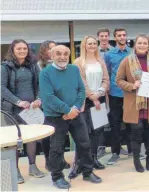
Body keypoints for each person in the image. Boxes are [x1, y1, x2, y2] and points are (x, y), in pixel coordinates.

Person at [40, 45, 102, 189]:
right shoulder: (45, 73)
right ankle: (57, 176)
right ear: (52, 55)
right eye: (58, 54)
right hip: (55, 116)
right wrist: (67, 110)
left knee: (84, 144)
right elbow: (48, 96)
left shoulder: (74, 69)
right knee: (56, 148)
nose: (62, 57)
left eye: (65, 54)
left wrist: (74, 108)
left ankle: (87, 171)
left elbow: (81, 90)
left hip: (75, 114)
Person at [116, 34, 149, 172]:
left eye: (145, 43)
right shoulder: (127, 61)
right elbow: (119, 80)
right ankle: (137, 160)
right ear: (135, 44)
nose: (142, 45)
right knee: (136, 133)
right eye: (140, 43)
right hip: (135, 105)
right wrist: (133, 85)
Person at [1, 39, 46, 184]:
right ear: (13, 50)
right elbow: (2, 88)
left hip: (31, 110)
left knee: (31, 138)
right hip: (13, 110)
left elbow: (39, 84)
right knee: (15, 140)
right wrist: (18, 101)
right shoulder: (5, 67)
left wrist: (39, 99)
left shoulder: (33, 65)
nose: (22, 51)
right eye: (19, 49)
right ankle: (16, 171)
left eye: (24, 49)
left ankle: (33, 166)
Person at [69, 36, 109, 179]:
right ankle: (78, 163)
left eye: (94, 43)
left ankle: (92, 159)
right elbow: (80, 81)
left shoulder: (100, 61)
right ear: (84, 45)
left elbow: (106, 80)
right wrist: (92, 95)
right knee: (83, 133)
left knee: (97, 132)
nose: (92, 46)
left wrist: (99, 93)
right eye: (89, 43)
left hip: (100, 99)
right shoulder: (78, 62)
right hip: (85, 101)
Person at [36, 40, 71, 172]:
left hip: (61, 105)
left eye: (55, 48)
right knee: (47, 135)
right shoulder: (39, 66)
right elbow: (37, 86)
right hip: (44, 105)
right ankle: (49, 161)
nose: (53, 51)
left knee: (60, 135)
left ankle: (60, 160)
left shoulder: (64, 66)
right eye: (50, 49)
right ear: (45, 51)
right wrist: (38, 98)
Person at [105, 28, 133, 165]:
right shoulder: (109, 54)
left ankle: (132, 150)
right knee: (115, 124)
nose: (122, 37)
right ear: (115, 38)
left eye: (124, 35)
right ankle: (115, 152)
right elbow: (108, 73)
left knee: (130, 123)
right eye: (119, 35)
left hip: (130, 94)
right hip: (115, 94)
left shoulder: (132, 52)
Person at [96, 28, 113, 159]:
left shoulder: (114, 51)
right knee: (100, 120)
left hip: (114, 90)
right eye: (101, 36)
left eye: (106, 36)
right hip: (99, 91)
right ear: (98, 38)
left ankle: (115, 148)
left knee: (114, 119)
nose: (104, 38)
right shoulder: (93, 52)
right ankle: (100, 147)